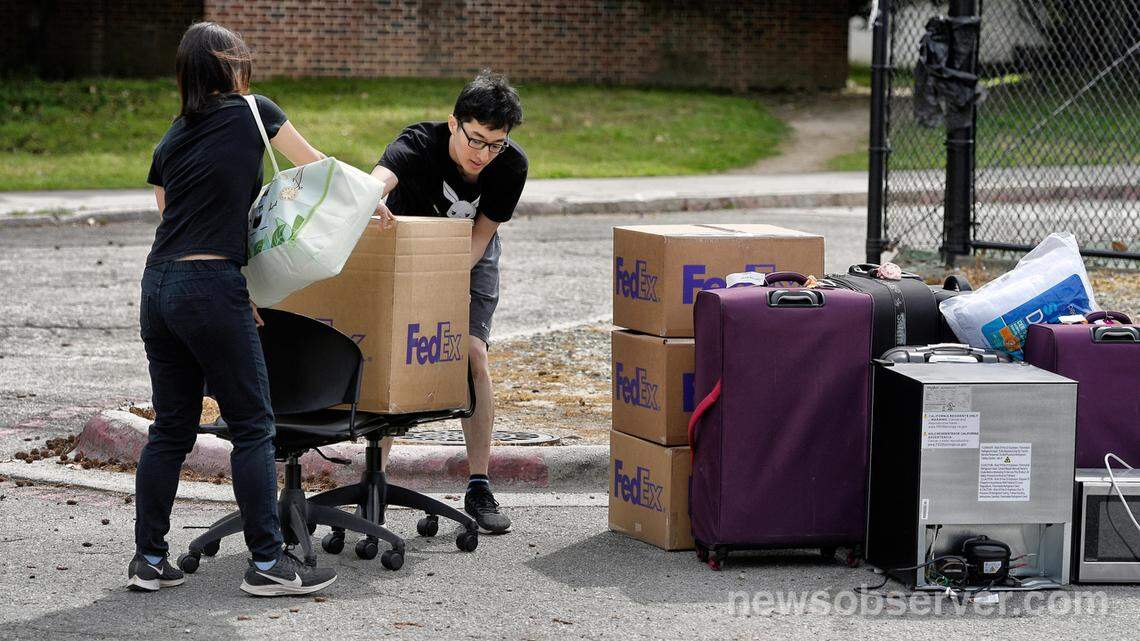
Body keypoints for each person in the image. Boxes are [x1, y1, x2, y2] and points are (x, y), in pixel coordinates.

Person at [131, 21, 336, 596]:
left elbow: (172, 218)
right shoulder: (254, 111)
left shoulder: (169, 139)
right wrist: (369, 199)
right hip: (207, 288)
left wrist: (222, 278)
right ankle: (269, 564)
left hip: (158, 286)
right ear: (229, 67)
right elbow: (312, 169)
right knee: (253, 427)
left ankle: (148, 559)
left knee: (170, 428)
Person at [370, 70, 527, 534]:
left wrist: (440, 285)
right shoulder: (420, 142)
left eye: (494, 144)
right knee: (390, 357)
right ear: (453, 123)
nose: (482, 154)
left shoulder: (511, 166)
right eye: (474, 140)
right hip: (405, 249)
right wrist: (370, 196)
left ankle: (479, 484)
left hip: (467, 254)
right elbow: (379, 177)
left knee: (473, 354)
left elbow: (481, 239)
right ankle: (373, 481)